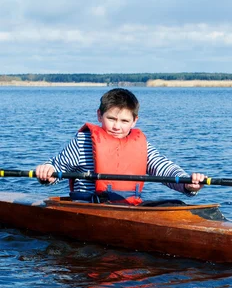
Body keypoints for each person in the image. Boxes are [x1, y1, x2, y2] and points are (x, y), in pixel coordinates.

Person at [35, 88, 205, 205]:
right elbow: (57, 168)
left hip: (127, 209)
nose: (117, 126)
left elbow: (164, 169)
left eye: (124, 121)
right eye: (111, 119)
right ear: (99, 115)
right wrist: (47, 172)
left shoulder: (141, 145)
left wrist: (187, 183)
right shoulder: (82, 143)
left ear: (134, 121)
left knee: (176, 204)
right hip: (87, 209)